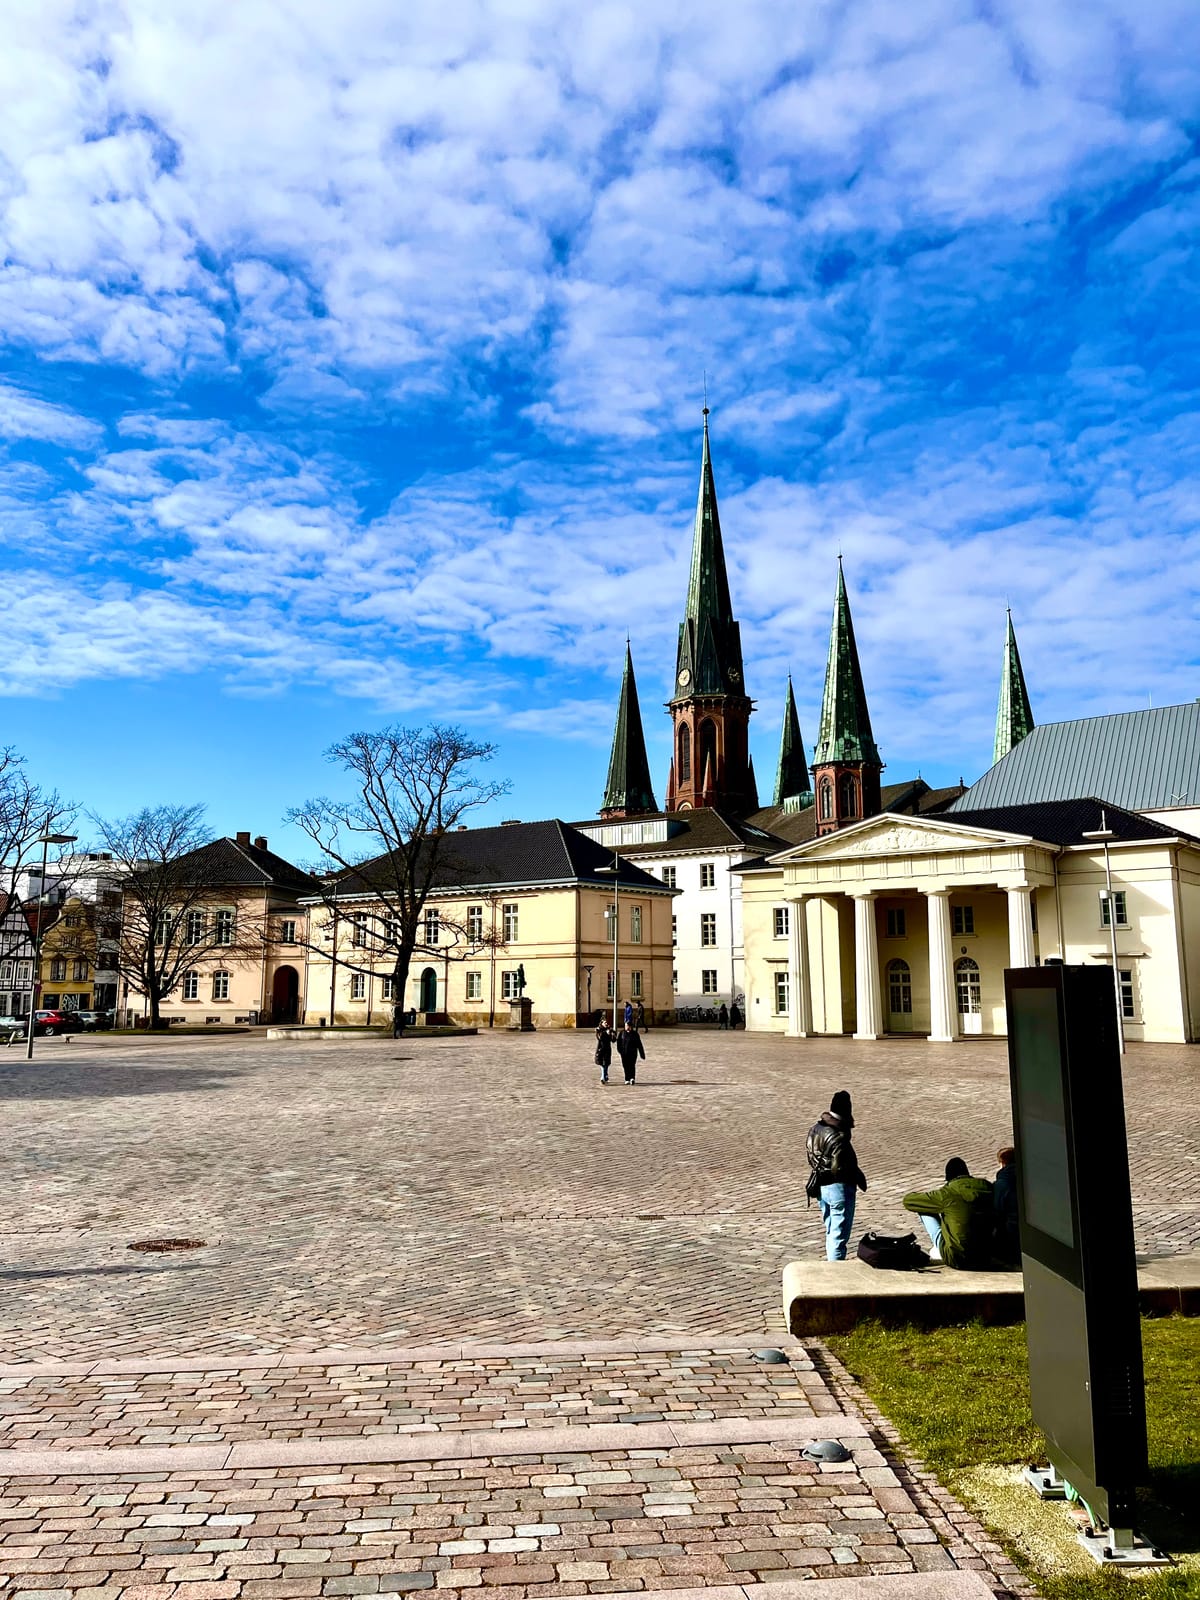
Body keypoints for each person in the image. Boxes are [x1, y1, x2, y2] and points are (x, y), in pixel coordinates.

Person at [805, 1090, 867, 1262]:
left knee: (831, 1231)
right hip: (839, 1188)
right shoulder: (840, 1135)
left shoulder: (816, 1128)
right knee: (838, 1236)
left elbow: (811, 1155)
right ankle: (835, 1270)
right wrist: (856, 1176)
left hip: (821, 1186)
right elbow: (838, 1167)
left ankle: (832, 1264)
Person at [903, 1158, 994, 1268]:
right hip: (987, 1256)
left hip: (958, 1258)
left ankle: (940, 1248)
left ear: (948, 1178)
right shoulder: (988, 1187)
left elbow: (908, 1201)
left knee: (923, 1206)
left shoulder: (947, 1193)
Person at [992, 1147, 1020, 1266]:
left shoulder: (1002, 1183)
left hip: (1011, 1232)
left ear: (1002, 1164)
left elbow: (997, 1210)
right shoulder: (1027, 1177)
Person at [615, 1020, 645, 1084]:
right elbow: (618, 1043)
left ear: (631, 1026)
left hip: (633, 1053)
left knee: (632, 1065)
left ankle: (632, 1078)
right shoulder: (622, 1033)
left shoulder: (635, 1034)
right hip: (624, 1053)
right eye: (626, 1026)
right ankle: (627, 1079)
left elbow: (639, 1044)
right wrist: (620, 1051)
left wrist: (642, 1054)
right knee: (625, 1066)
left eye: (628, 1026)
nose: (627, 1027)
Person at [594, 1018, 615, 1085]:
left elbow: (613, 1040)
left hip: (607, 1049)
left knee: (606, 1064)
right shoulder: (598, 1030)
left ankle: (605, 1076)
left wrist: (612, 1034)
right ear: (601, 1023)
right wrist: (606, 1033)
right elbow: (599, 1037)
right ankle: (603, 1077)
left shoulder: (610, 1030)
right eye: (604, 1022)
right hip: (601, 1049)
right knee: (602, 1064)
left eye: (606, 1022)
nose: (606, 1023)